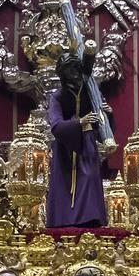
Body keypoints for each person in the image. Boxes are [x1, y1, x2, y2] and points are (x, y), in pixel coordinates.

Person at [46, 51, 108, 227]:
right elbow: (56, 125)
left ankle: (90, 219)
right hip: (66, 147)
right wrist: (79, 122)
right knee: (65, 182)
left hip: (86, 145)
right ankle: (63, 220)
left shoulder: (91, 93)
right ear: (63, 74)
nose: (73, 74)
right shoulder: (57, 97)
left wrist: (106, 115)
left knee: (89, 175)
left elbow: (101, 122)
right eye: (68, 71)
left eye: (75, 69)